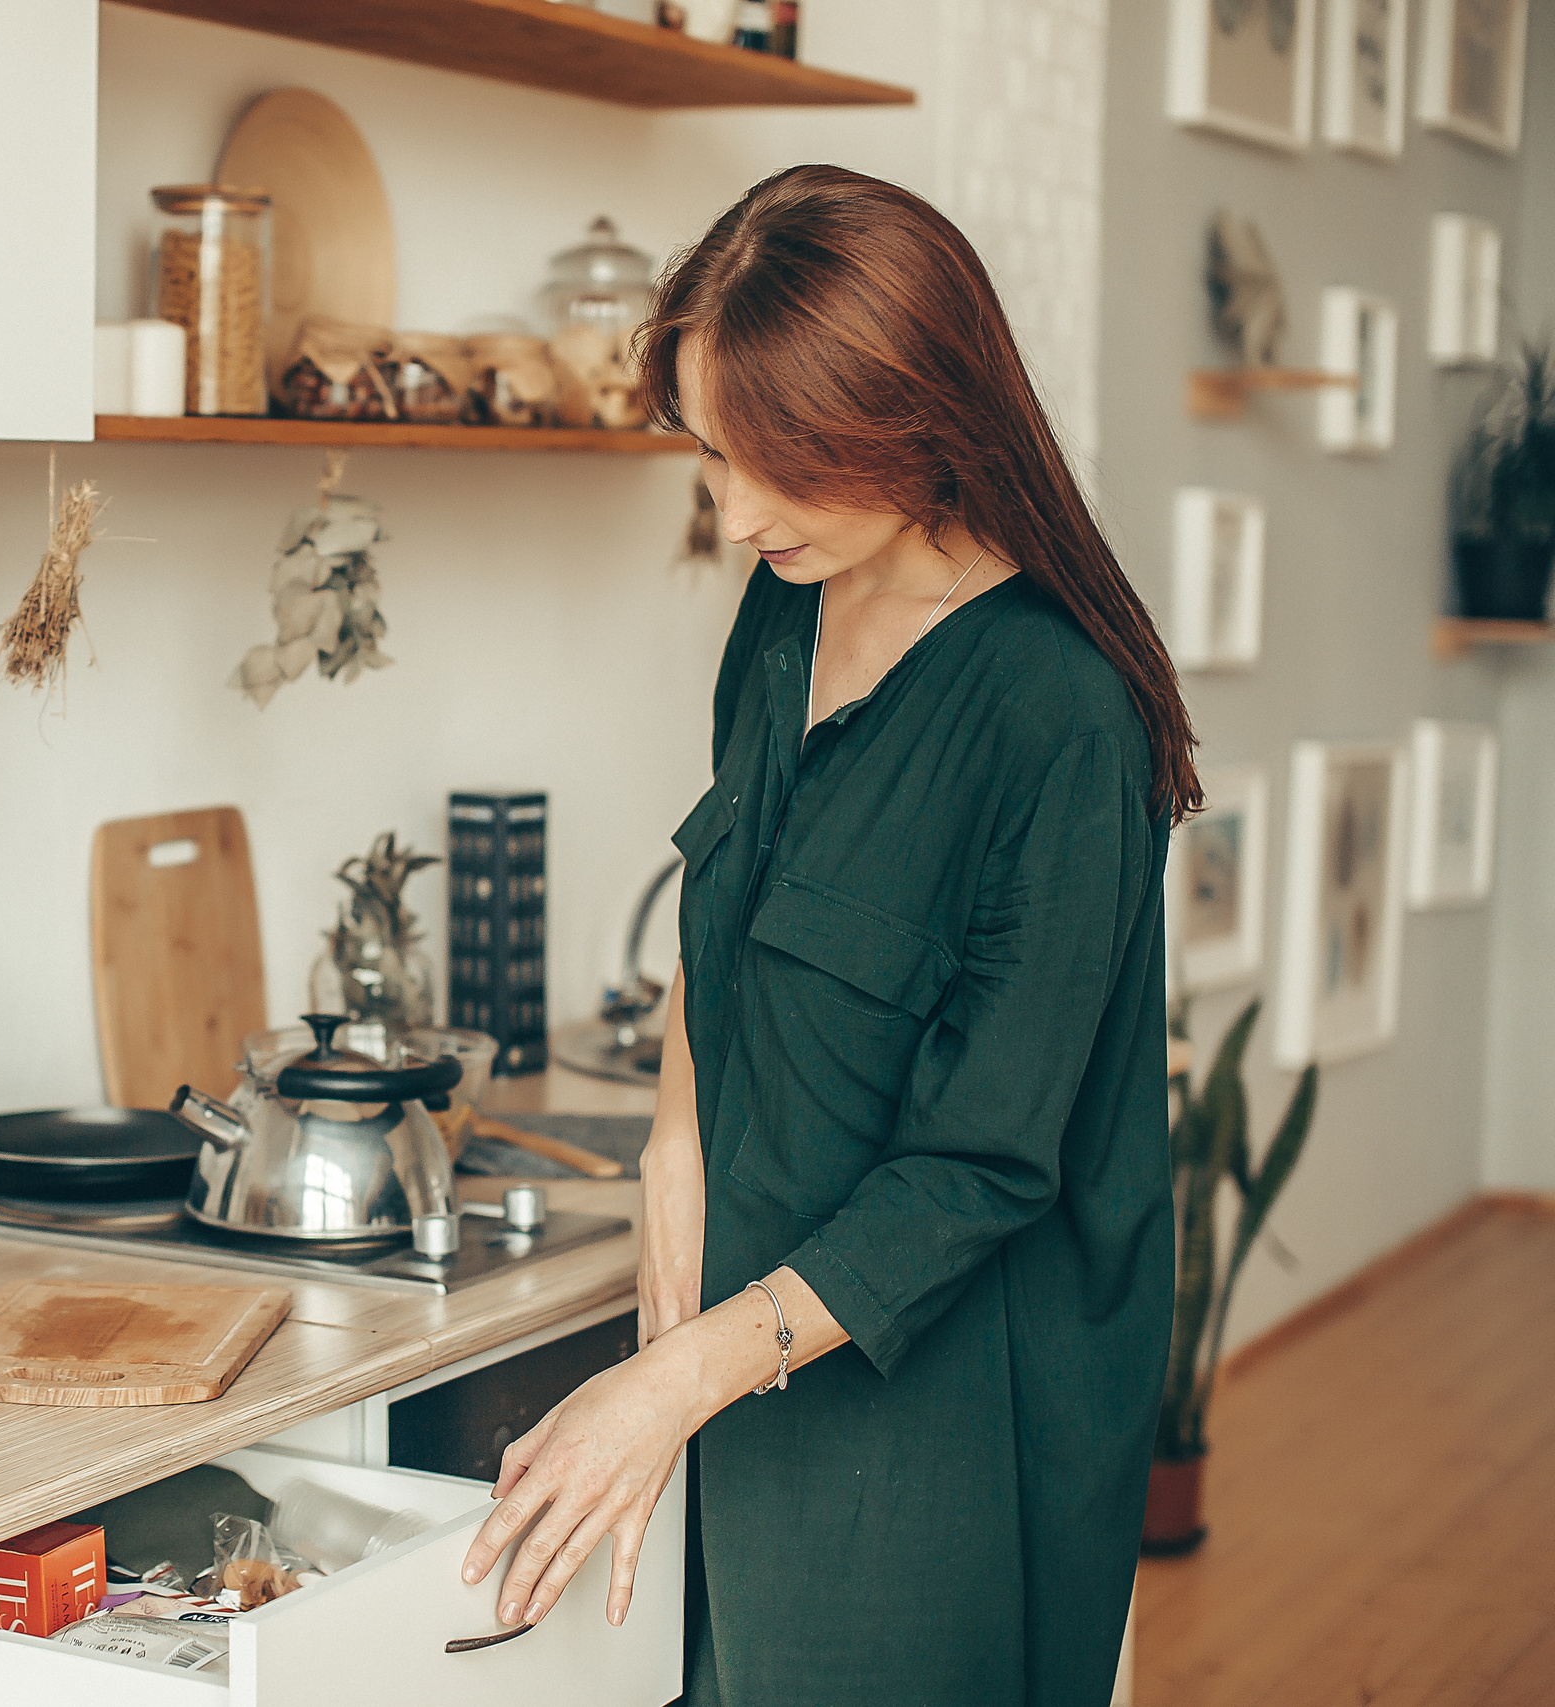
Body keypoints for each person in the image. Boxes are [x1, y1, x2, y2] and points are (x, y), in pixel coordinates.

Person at [458, 164, 1197, 1706]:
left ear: (916, 419)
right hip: (747, 1334)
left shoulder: (1062, 717)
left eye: (777, 464)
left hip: (941, 1392)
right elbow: (724, 892)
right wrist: (675, 1144)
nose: (735, 516)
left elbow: (983, 1166)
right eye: (715, 456)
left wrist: (666, 1383)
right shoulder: (792, 608)